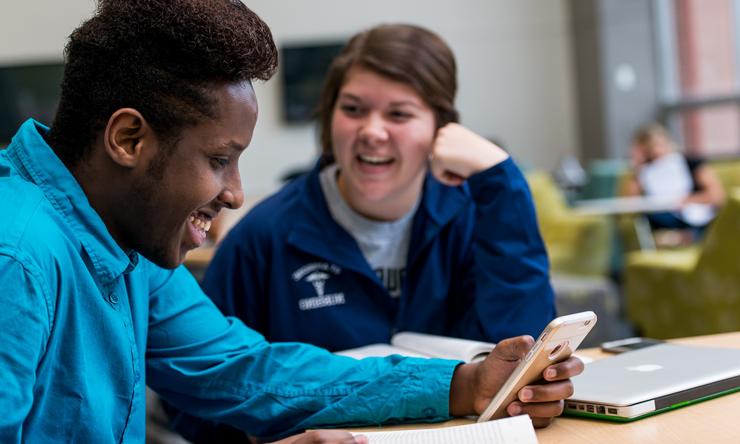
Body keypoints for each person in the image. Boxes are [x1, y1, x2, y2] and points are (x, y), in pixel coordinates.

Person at [0, 3, 583, 443]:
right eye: (219, 159)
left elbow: (240, 368)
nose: (235, 193)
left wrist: (463, 383)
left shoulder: (125, 238)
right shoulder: (17, 256)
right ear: (129, 139)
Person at [168, 22, 558, 442]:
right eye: (353, 109)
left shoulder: (473, 218)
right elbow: (195, 395)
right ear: (330, 118)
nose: (372, 131)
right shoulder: (263, 235)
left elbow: (524, 358)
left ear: (441, 129)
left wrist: (502, 185)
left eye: (399, 114)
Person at [623, 123, 725, 236]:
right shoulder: (645, 170)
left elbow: (717, 196)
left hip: (695, 215)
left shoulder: (691, 163)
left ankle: (683, 237)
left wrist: (687, 201)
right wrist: (638, 166)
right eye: (650, 149)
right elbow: (631, 204)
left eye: (658, 144)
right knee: (646, 219)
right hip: (664, 218)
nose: (657, 151)